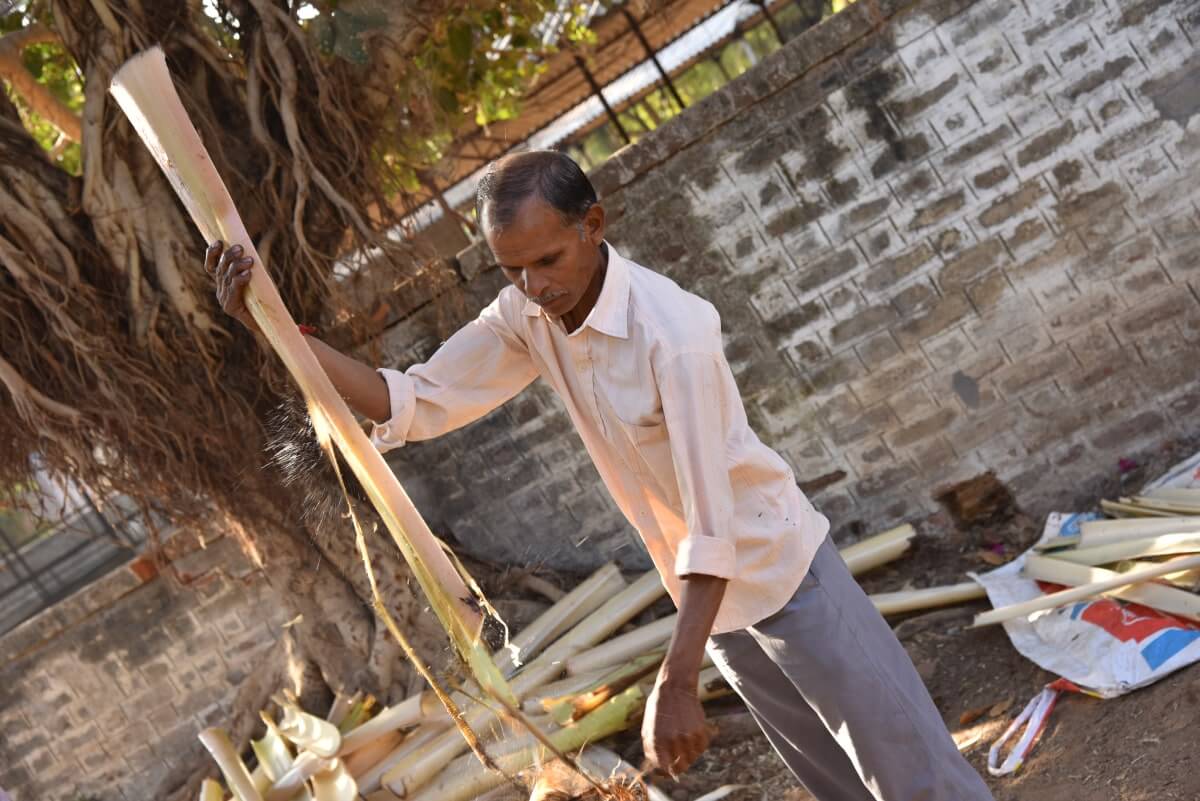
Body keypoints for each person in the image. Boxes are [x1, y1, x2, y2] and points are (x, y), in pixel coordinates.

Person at [206, 150, 994, 801]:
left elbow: (713, 527)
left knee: (918, 782)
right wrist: (273, 324)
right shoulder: (529, 314)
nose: (534, 286)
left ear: (594, 225)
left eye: (547, 260)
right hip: (714, 611)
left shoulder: (672, 333)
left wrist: (675, 679)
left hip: (787, 580)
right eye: (512, 270)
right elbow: (413, 398)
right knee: (843, 794)